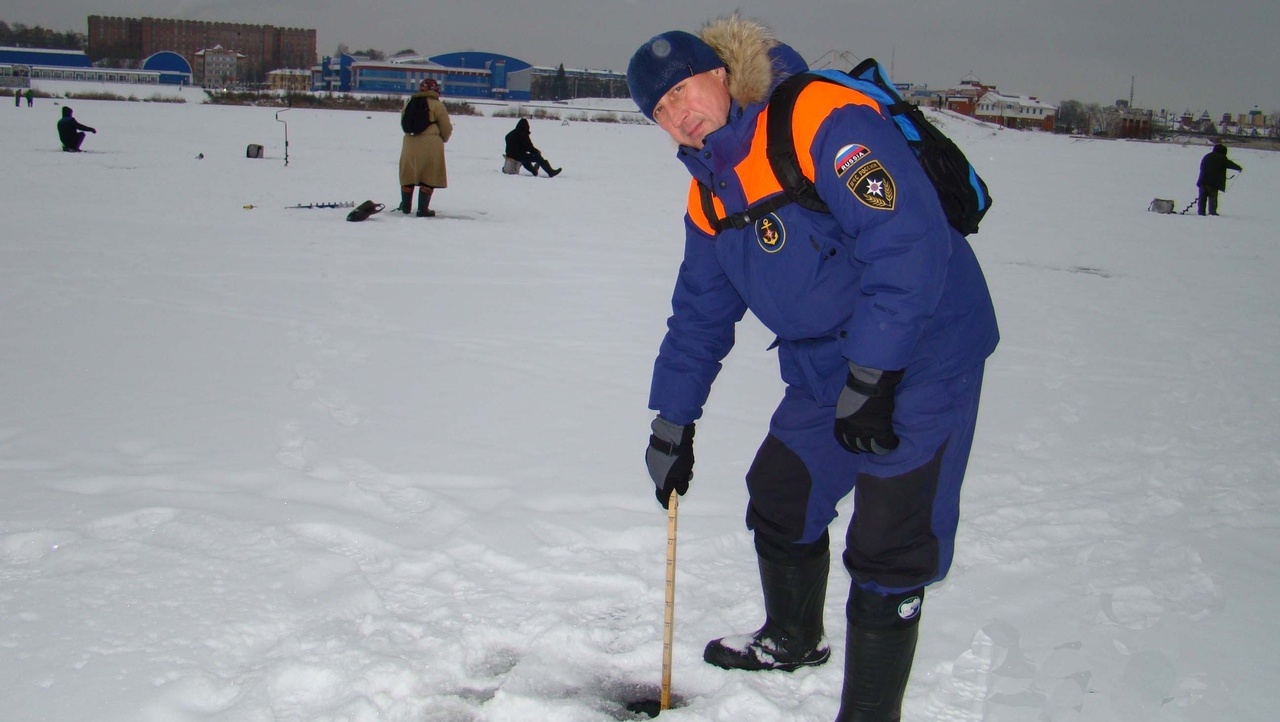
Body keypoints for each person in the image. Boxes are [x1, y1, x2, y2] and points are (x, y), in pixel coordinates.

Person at [629, 14, 998, 721]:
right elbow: (700, 312)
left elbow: (909, 241)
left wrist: (874, 376)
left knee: (891, 540)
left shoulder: (814, 116)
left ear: (722, 73)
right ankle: (792, 638)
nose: (679, 114)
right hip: (825, 367)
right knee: (781, 493)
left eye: (684, 90)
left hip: (923, 353)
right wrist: (672, 420)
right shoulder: (710, 190)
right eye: (661, 109)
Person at [398, 78, 452, 217]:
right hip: (430, 144)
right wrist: (443, 138)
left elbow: (403, 122)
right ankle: (423, 209)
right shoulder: (437, 105)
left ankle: (405, 206)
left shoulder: (409, 103)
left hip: (409, 143)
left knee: (408, 175)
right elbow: (445, 127)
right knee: (429, 176)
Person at [1196, 143, 1242, 216]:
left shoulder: (1207, 156)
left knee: (1202, 198)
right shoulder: (1222, 158)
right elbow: (1229, 164)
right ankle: (1212, 212)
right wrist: (1238, 168)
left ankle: (1201, 212)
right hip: (1213, 182)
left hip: (1202, 180)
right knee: (1212, 197)